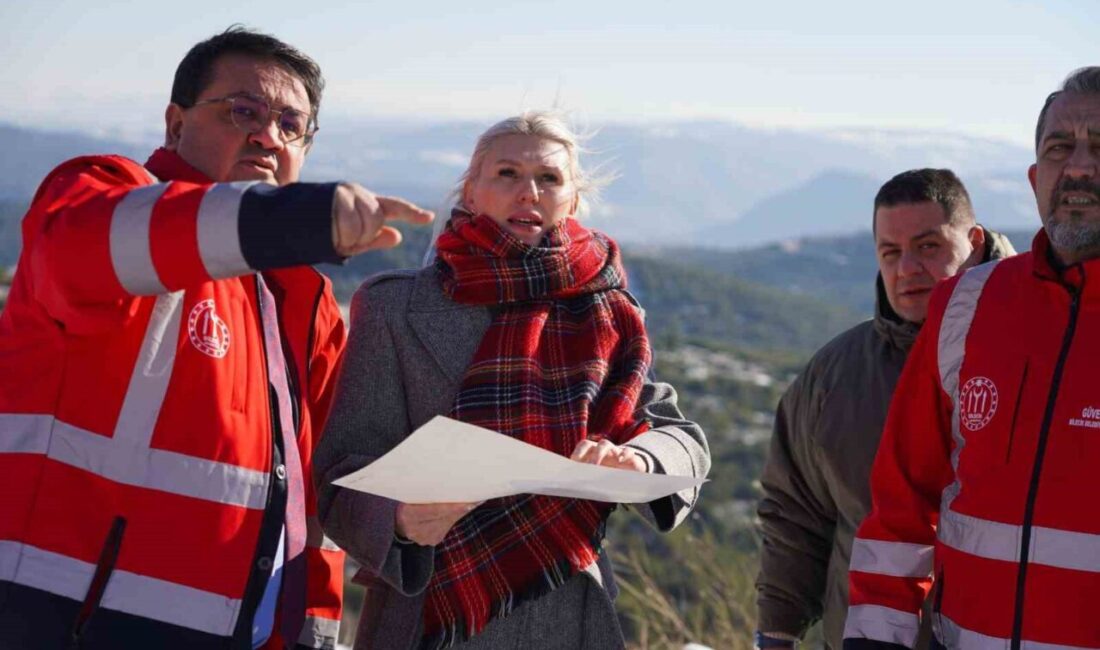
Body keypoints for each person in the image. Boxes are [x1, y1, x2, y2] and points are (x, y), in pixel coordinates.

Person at [0, 27, 433, 650]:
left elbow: (320, 495)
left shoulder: (304, 303)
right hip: (65, 619)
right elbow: (82, 250)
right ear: (175, 126)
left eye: (292, 124)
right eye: (243, 111)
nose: (268, 135)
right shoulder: (107, 195)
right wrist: (290, 219)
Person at [313, 111, 710, 650]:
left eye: (549, 179)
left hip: (570, 608)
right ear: (471, 192)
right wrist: (398, 520)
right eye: (506, 174)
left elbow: (676, 434)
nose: (529, 192)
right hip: (429, 612)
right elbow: (339, 473)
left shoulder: (610, 311)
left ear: (571, 199)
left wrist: (639, 460)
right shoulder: (393, 307)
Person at [843, 67, 1100, 650]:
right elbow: (903, 500)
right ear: (1036, 178)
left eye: (1099, 147)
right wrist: (876, 638)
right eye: (1061, 149)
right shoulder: (967, 303)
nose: (1080, 167)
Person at [755, 169, 1015, 650]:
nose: (907, 268)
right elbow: (796, 516)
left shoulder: (1042, 350)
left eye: (928, 247)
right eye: (890, 253)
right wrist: (777, 633)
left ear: (974, 242)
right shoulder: (834, 376)